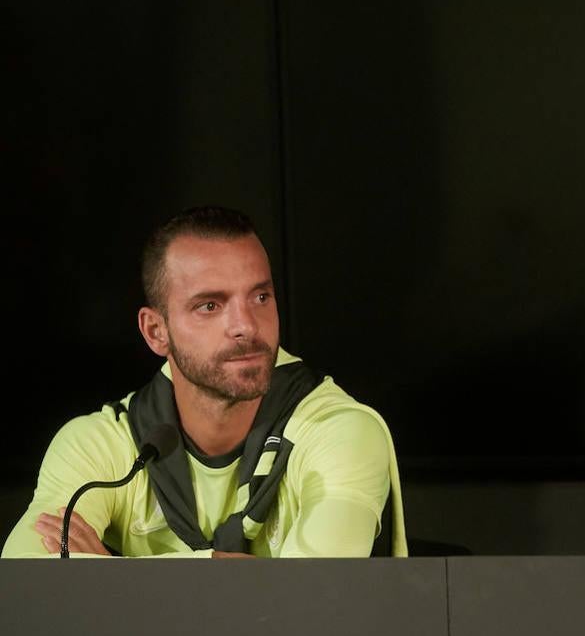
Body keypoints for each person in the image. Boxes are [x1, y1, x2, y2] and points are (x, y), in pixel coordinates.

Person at [2, 206, 407, 557]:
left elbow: (315, 598)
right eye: (210, 306)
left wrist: (110, 572)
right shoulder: (101, 445)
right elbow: (27, 570)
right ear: (156, 331)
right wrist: (218, 567)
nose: (245, 326)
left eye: (260, 297)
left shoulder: (340, 430)